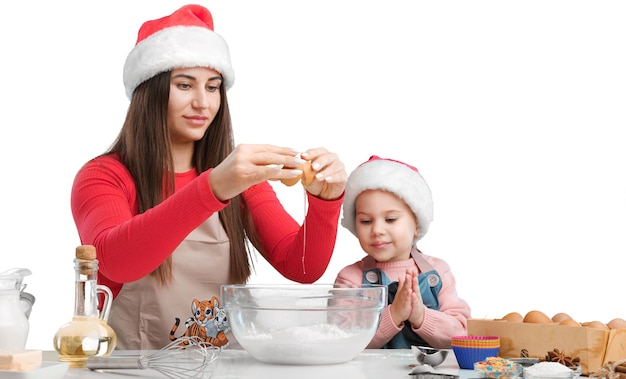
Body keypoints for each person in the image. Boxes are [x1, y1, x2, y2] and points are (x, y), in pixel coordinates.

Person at [70, 4, 347, 350]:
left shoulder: (241, 180)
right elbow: (117, 261)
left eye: (213, 87)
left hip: (223, 367)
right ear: (150, 91)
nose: (203, 102)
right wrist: (213, 188)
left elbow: (302, 267)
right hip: (134, 370)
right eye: (185, 85)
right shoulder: (104, 177)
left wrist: (325, 200)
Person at [335, 156, 470, 349]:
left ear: (416, 224)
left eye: (390, 219)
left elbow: (461, 335)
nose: (377, 230)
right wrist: (394, 315)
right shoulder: (351, 279)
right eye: (366, 221)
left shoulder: (437, 272)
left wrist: (421, 316)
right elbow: (342, 339)